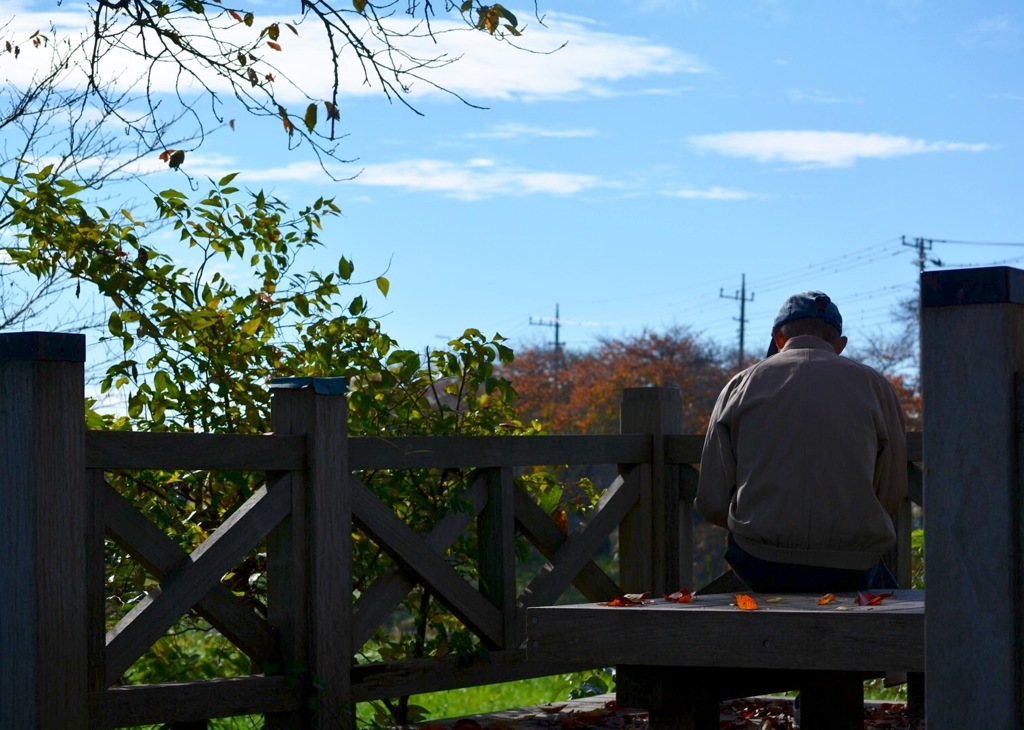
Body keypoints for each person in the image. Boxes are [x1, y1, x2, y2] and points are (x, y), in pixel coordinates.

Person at [695, 290, 907, 592]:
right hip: (851, 565)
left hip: (760, 561)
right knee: (883, 587)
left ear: (777, 338)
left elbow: (711, 501)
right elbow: (892, 494)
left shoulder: (740, 385)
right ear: (840, 345)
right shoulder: (876, 386)